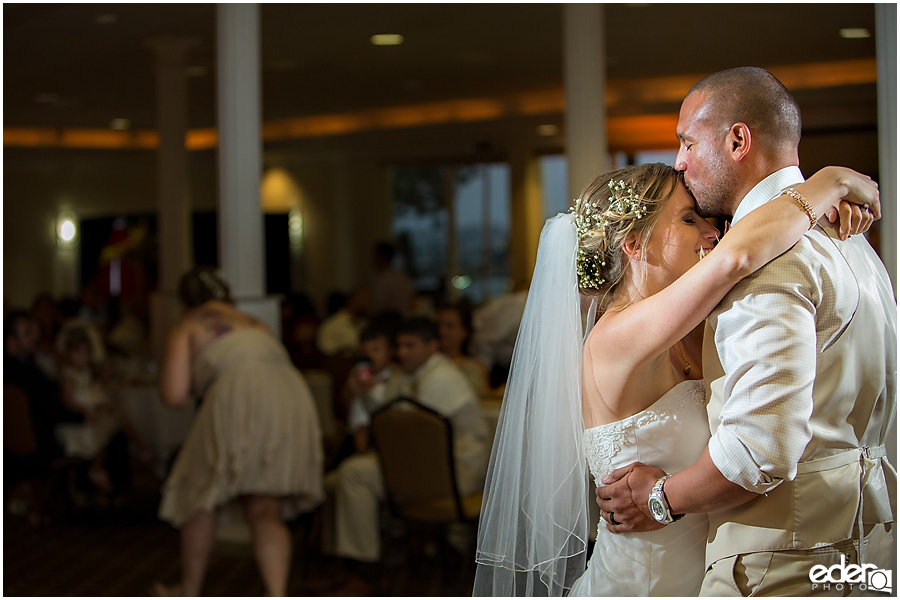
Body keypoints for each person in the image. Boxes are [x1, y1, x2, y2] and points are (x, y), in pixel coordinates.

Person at [472, 159, 879, 595]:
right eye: (689, 219)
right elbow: (739, 255)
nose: (712, 234)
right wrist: (828, 183)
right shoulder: (615, 337)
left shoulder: (693, 328)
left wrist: (825, 213)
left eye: (707, 219)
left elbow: (761, 248)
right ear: (634, 244)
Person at [596, 67, 895, 596]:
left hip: (776, 559)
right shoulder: (846, 237)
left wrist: (659, 497)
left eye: (687, 142)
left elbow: (760, 448)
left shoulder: (774, 256)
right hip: (859, 542)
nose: (680, 162)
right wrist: (830, 182)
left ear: (738, 139)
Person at [153, 267, 324, 597]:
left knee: (200, 497)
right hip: (288, 396)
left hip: (237, 396)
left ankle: (189, 590)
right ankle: (276, 594)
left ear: (185, 302)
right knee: (264, 507)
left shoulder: (188, 326)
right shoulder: (257, 325)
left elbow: (173, 396)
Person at [324, 316, 490, 596]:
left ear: (431, 346)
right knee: (354, 472)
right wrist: (364, 395)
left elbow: (409, 434)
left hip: (455, 472)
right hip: (425, 464)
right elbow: (394, 423)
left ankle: (369, 571)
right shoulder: (413, 375)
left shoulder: (442, 377)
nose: (402, 353)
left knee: (357, 473)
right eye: (399, 346)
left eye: (410, 346)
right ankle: (364, 566)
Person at [54, 325, 152, 494]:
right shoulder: (69, 374)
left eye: (86, 352)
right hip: (81, 422)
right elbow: (68, 399)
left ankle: (138, 450)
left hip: (92, 412)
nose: (82, 357)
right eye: (78, 352)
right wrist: (85, 410)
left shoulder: (85, 371)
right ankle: (104, 467)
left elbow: (92, 389)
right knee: (109, 430)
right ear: (68, 353)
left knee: (115, 423)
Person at [437, 302, 490, 396]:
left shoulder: (474, 369)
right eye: (439, 325)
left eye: (450, 326)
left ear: (464, 331)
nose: (442, 331)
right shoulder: (425, 364)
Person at [370, 241, 414, 316]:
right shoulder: (401, 275)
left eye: (375, 256)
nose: (372, 259)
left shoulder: (383, 279)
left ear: (382, 257)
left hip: (388, 321)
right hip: (403, 318)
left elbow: (378, 306)